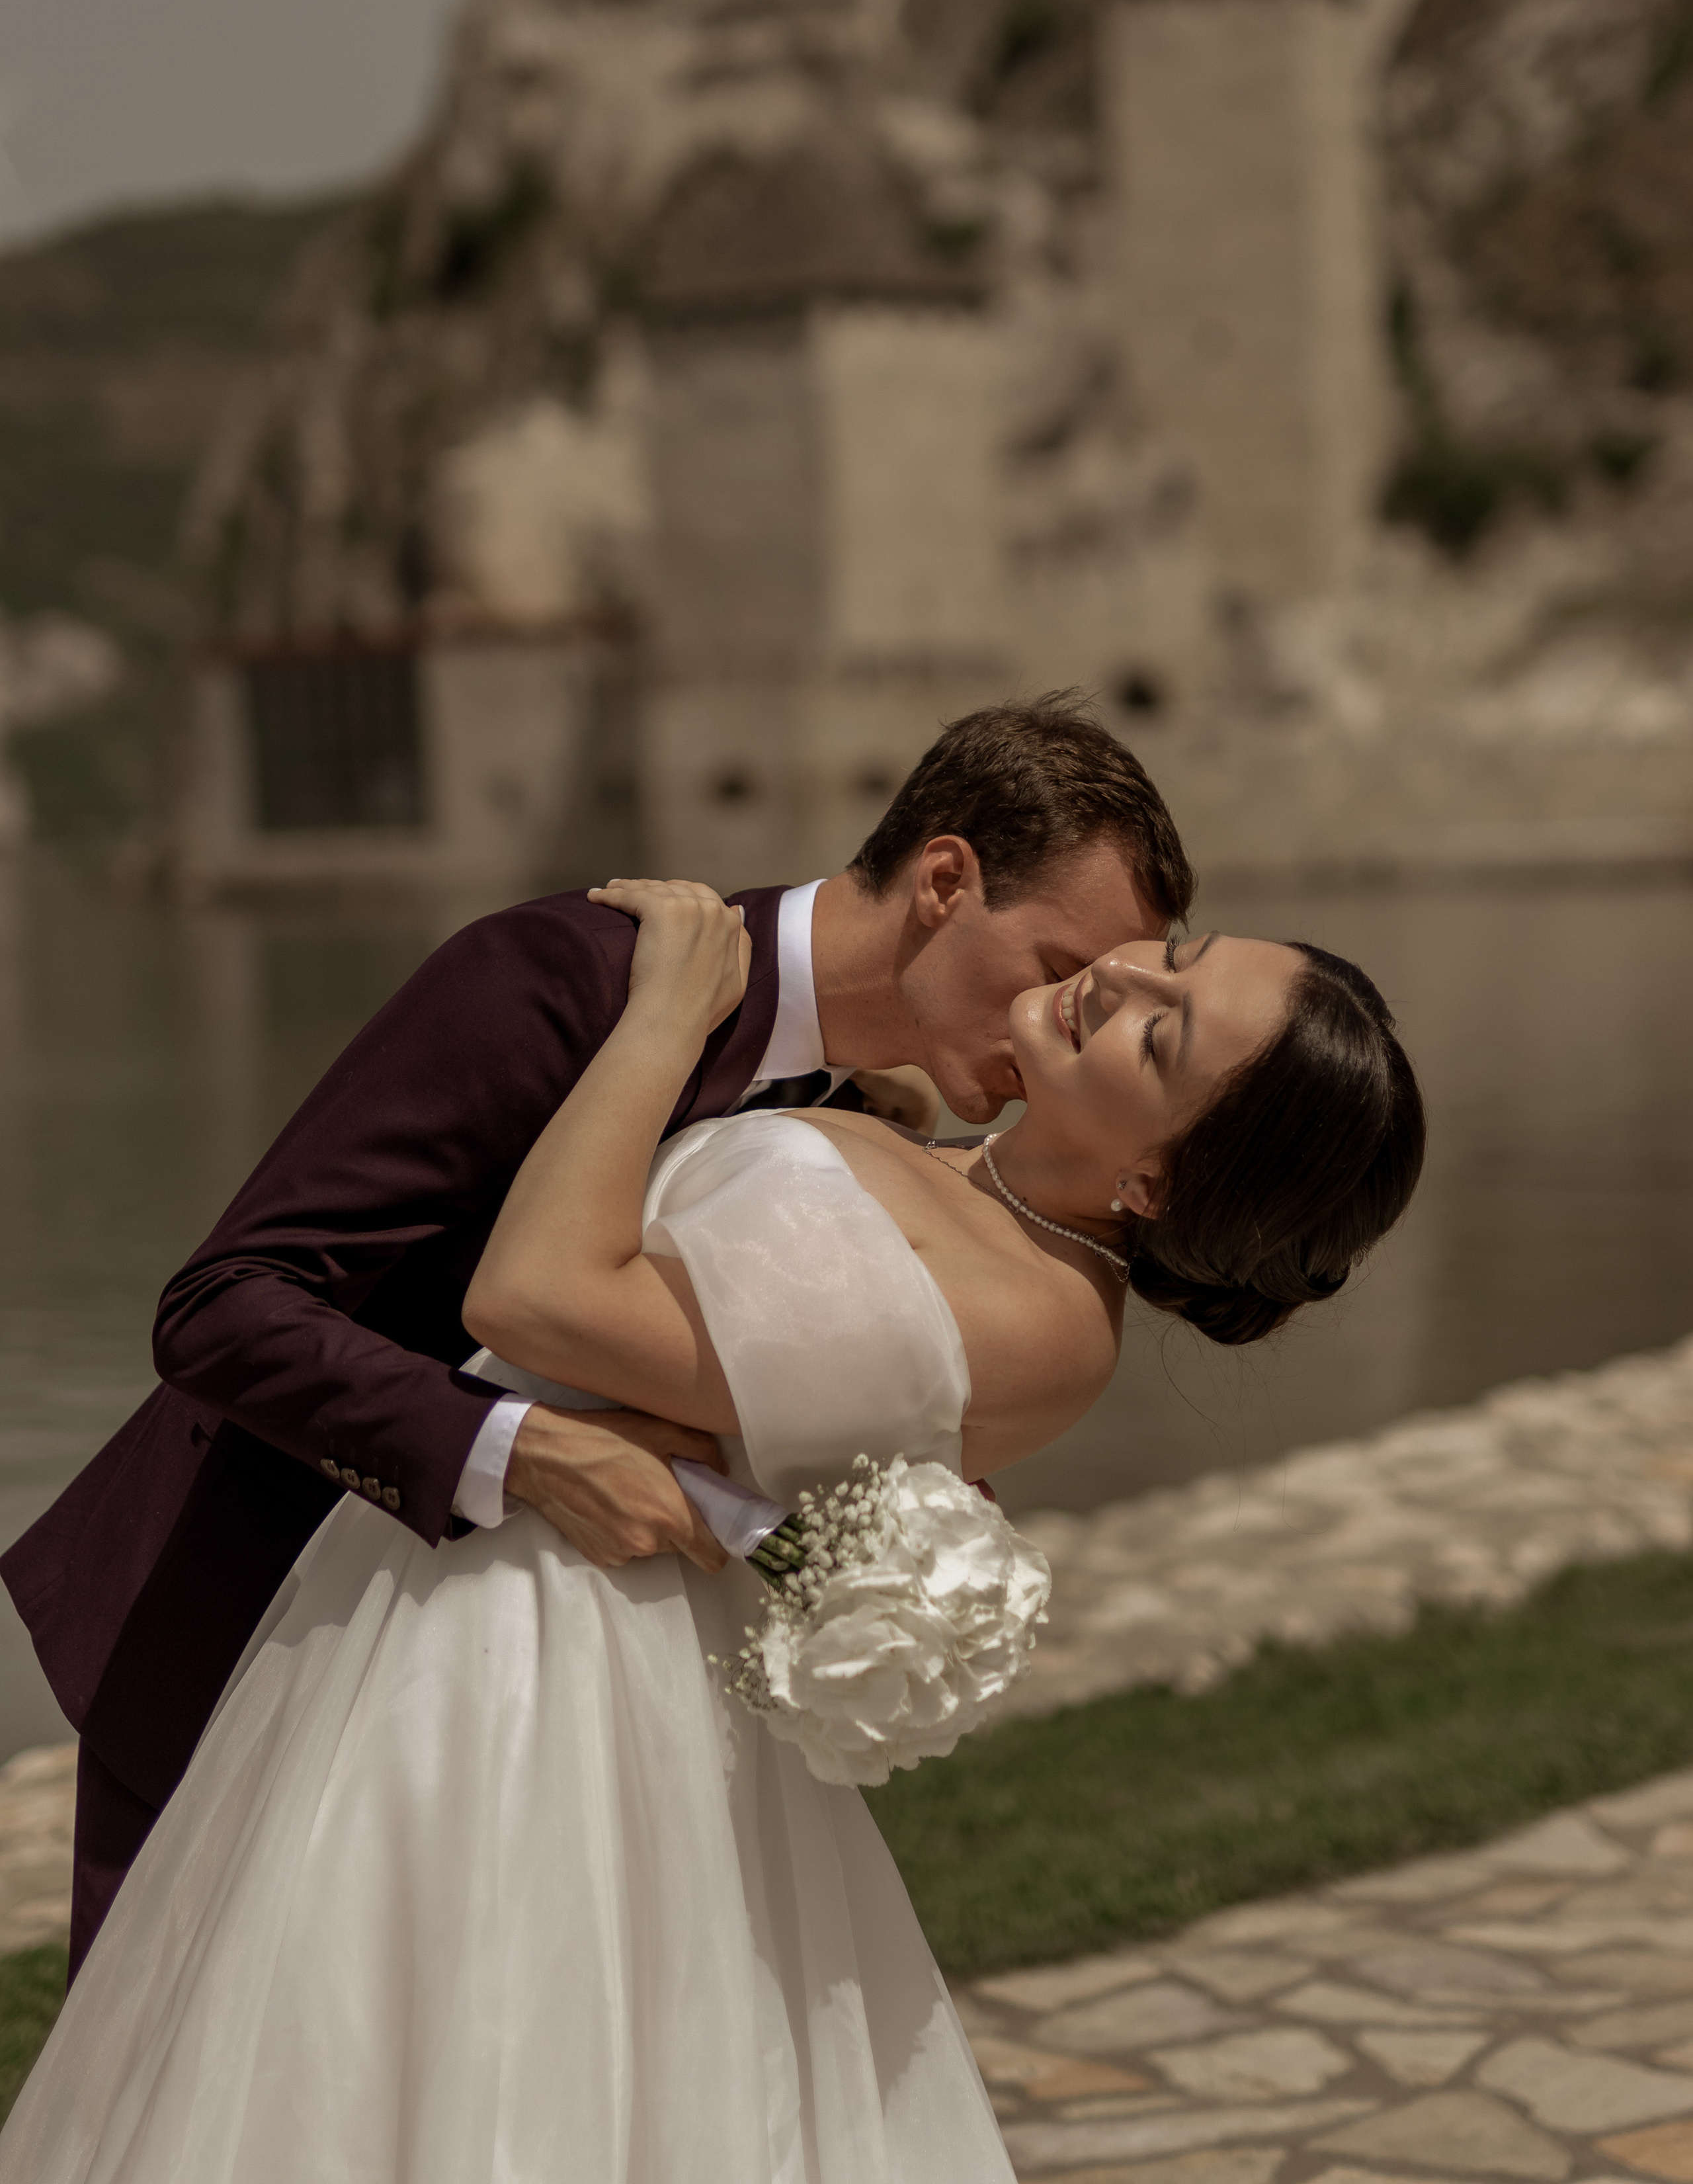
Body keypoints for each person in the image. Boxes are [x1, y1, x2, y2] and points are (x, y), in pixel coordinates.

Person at [0, 880, 1424, 2183]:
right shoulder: (935, 1155)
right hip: (447, 1591)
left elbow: (538, 1301)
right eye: (1167, 959)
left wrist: (666, 1020)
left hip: (547, 1663)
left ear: (1156, 1185)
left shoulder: (1039, 1320)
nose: (1120, 984)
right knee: (328, 2035)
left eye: (1163, 1042)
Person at [1, 694, 1194, 1976]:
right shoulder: (570, 973)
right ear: (944, 880)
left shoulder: (870, 1116)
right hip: (252, 1622)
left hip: (546, 1725)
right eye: (1053, 968)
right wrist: (519, 1452)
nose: (1056, 1020)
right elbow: (223, 1307)